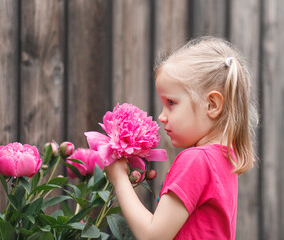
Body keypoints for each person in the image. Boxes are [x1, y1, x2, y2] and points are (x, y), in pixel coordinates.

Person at [105, 36, 258, 240]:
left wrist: (119, 178)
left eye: (171, 102)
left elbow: (153, 236)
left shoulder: (197, 160)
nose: (161, 116)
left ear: (212, 105)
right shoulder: (224, 159)